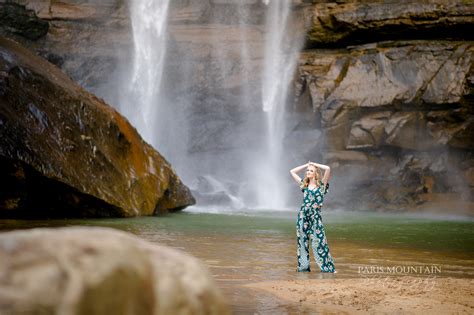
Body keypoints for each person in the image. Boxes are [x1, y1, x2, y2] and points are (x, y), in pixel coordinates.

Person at [290, 161, 336, 273]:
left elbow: (328, 168)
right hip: (302, 217)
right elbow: (292, 171)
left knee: (320, 242)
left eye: (311, 171)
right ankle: (304, 268)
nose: (308, 172)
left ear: (316, 173)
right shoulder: (304, 185)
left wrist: (315, 164)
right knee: (302, 242)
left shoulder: (321, 186)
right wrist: (306, 165)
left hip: (315, 217)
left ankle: (327, 268)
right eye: (307, 171)